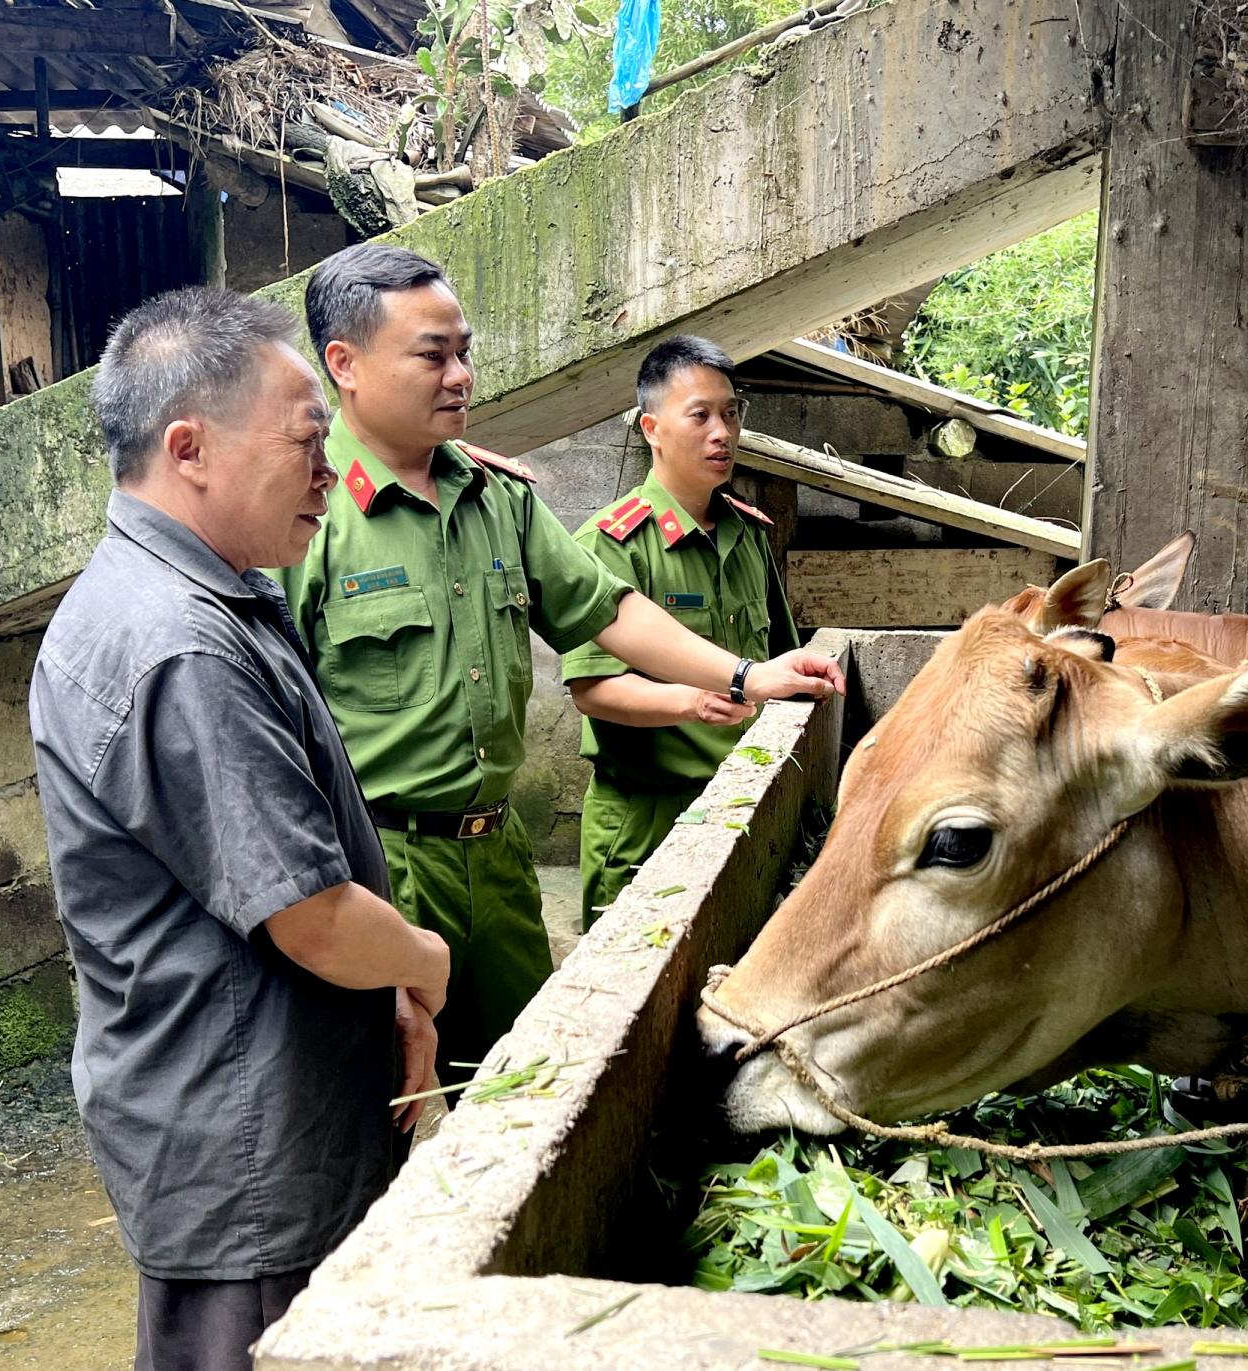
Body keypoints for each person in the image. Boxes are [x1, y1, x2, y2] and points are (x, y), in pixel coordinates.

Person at [277, 243, 844, 1087]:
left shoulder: (498, 500)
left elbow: (608, 610)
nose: (461, 374)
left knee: (519, 1089)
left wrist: (743, 676)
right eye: (432, 355)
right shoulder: (303, 522)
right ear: (344, 364)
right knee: (373, 1106)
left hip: (497, 859)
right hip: (378, 863)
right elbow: (277, 737)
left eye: (463, 350)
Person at [28, 288, 450, 1371]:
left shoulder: (192, 596)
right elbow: (309, 916)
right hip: (248, 1151)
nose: (328, 471)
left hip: (243, 1116)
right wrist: (421, 962)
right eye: (309, 441)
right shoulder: (181, 644)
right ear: (191, 449)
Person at [563, 337, 801, 928]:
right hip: (646, 820)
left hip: (742, 805)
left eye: (731, 413)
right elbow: (593, 691)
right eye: (699, 415)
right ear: (653, 428)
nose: (721, 432)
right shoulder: (609, 544)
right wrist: (693, 702)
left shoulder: (747, 534)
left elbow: (776, 660)